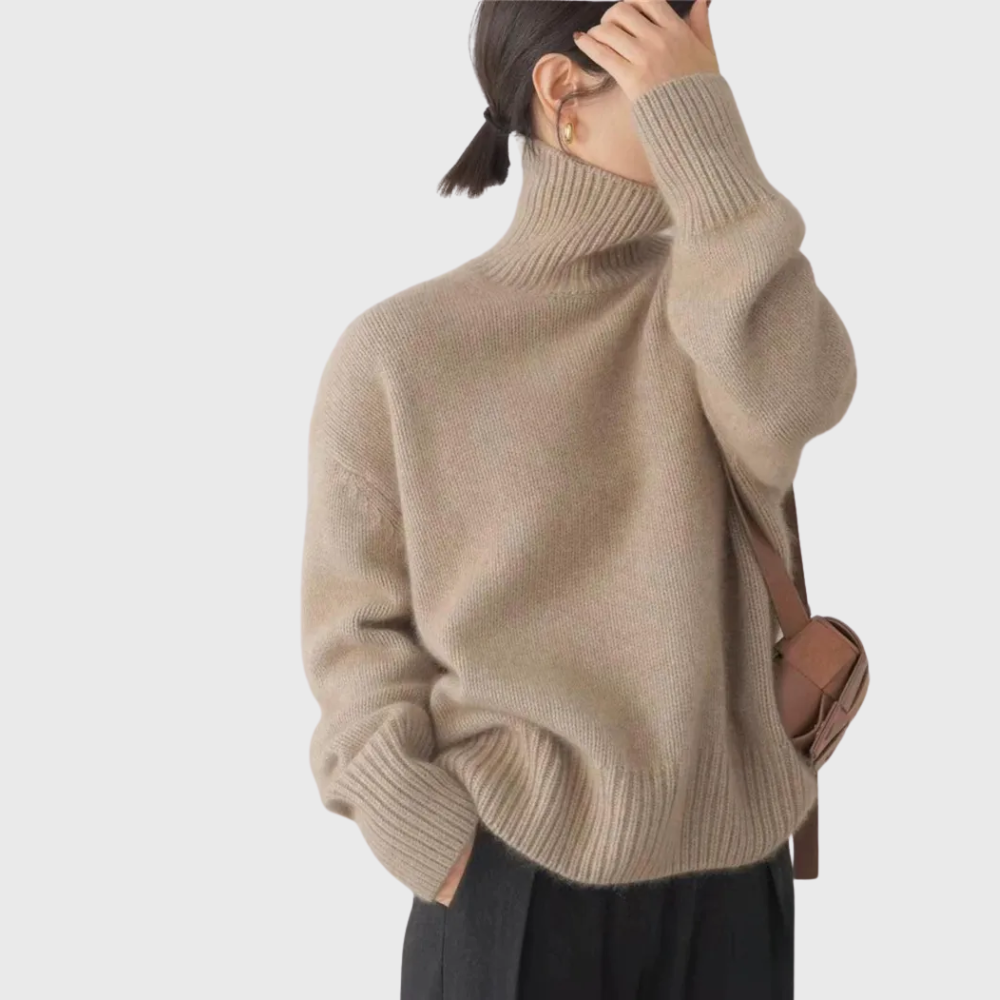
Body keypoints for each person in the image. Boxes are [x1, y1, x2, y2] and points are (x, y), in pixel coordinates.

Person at [299, 1, 857, 997]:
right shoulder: (401, 352)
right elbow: (354, 642)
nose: (703, 89)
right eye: (668, 61)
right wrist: (439, 848)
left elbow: (800, 396)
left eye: (707, 62)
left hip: (734, 883)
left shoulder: (717, 303)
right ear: (561, 93)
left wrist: (709, 150)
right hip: (512, 886)